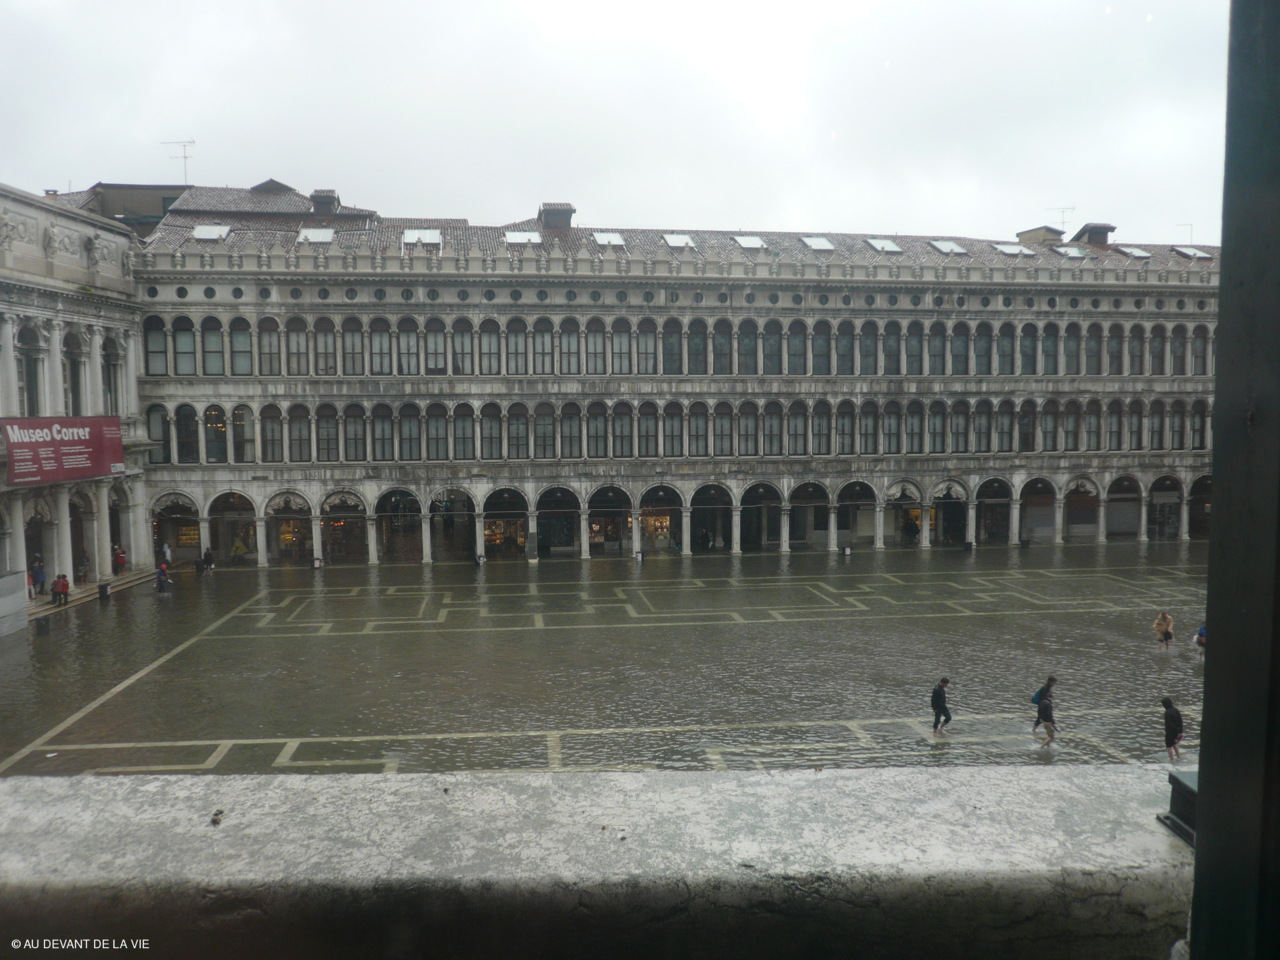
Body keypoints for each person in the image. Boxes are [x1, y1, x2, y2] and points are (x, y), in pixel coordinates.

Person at [1162, 697, 1184, 761]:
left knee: (1168, 746)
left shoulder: (1167, 712)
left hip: (1170, 732)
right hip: (1177, 731)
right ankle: (1179, 757)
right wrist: (1180, 731)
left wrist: (1166, 731)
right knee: (1174, 744)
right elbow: (1180, 721)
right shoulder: (1176, 710)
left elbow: (1169, 724)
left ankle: (1172, 760)